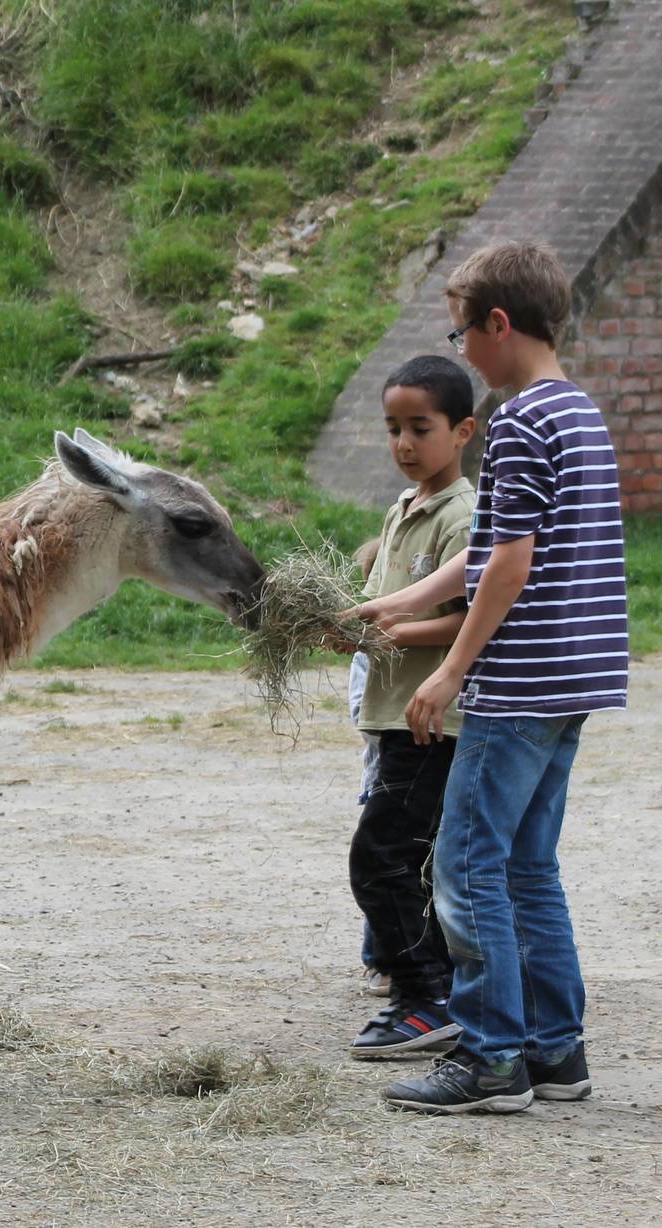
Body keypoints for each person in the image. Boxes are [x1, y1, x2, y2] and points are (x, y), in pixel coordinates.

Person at [357, 240, 627, 1114]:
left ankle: (490, 1056)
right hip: (576, 679)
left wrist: (450, 673)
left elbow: (507, 562)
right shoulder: (579, 412)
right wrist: (396, 604)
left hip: (517, 685)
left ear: (498, 325)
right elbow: (486, 551)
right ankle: (556, 1051)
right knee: (526, 868)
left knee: (467, 868)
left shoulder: (515, 422)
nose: (461, 351)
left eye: (463, 332)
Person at [342, 356, 476, 1061]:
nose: (402, 444)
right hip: (393, 715)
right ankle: (428, 990)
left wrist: (390, 629)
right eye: (392, 428)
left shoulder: (464, 515)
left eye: (419, 428)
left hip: (430, 722)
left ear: (462, 432)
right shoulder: (404, 507)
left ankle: (425, 1000)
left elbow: (476, 618)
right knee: (405, 858)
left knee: (382, 858)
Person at [347, 537, 389, 998]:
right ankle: (379, 960)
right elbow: (362, 714)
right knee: (382, 859)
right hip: (383, 776)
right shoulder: (367, 649)